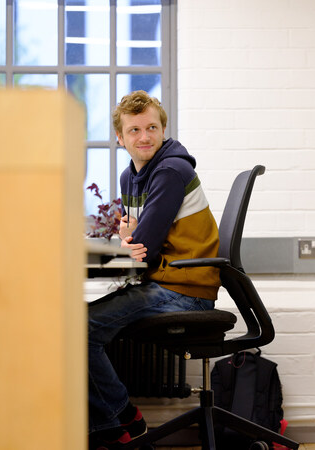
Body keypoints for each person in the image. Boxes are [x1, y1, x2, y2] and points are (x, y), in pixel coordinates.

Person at [87, 90, 221, 449]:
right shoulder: (129, 177)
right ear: (120, 138)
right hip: (164, 279)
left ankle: (116, 426)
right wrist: (132, 239)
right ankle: (119, 421)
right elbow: (135, 243)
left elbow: (141, 247)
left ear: (164, 130)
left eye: (151, 128)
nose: (143, 137)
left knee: (80, 328)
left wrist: (132, 238)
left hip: (186, 289)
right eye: (134, 130)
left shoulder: (171, 170)